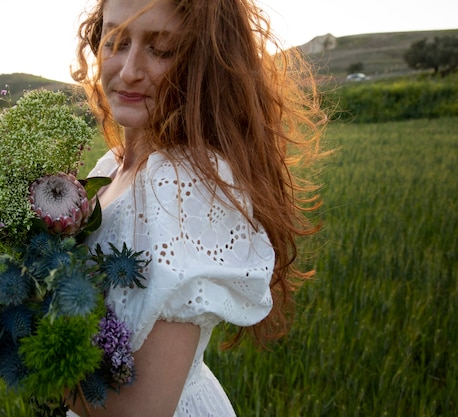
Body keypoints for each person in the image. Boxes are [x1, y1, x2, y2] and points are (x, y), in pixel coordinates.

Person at [69, 0, 326, 415]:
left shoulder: (184, 186)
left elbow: (142, 409)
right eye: (114, 41)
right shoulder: (110, 166)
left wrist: (23, 348)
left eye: (161, 49)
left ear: (201, 63)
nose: (129, 69)